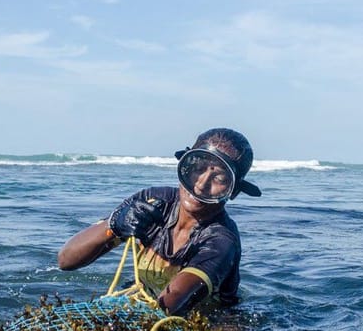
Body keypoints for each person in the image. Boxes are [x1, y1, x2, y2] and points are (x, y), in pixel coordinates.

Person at [57, 128, 260, 316]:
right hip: (146, 303)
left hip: (209, 324)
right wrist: (115, 225)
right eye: (198, 167)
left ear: (232, 191)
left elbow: (167, 306)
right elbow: (66, 261)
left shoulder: (221, 241)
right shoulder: (153, 201)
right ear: (185, 166)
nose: (201, 184)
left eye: (220, 179)